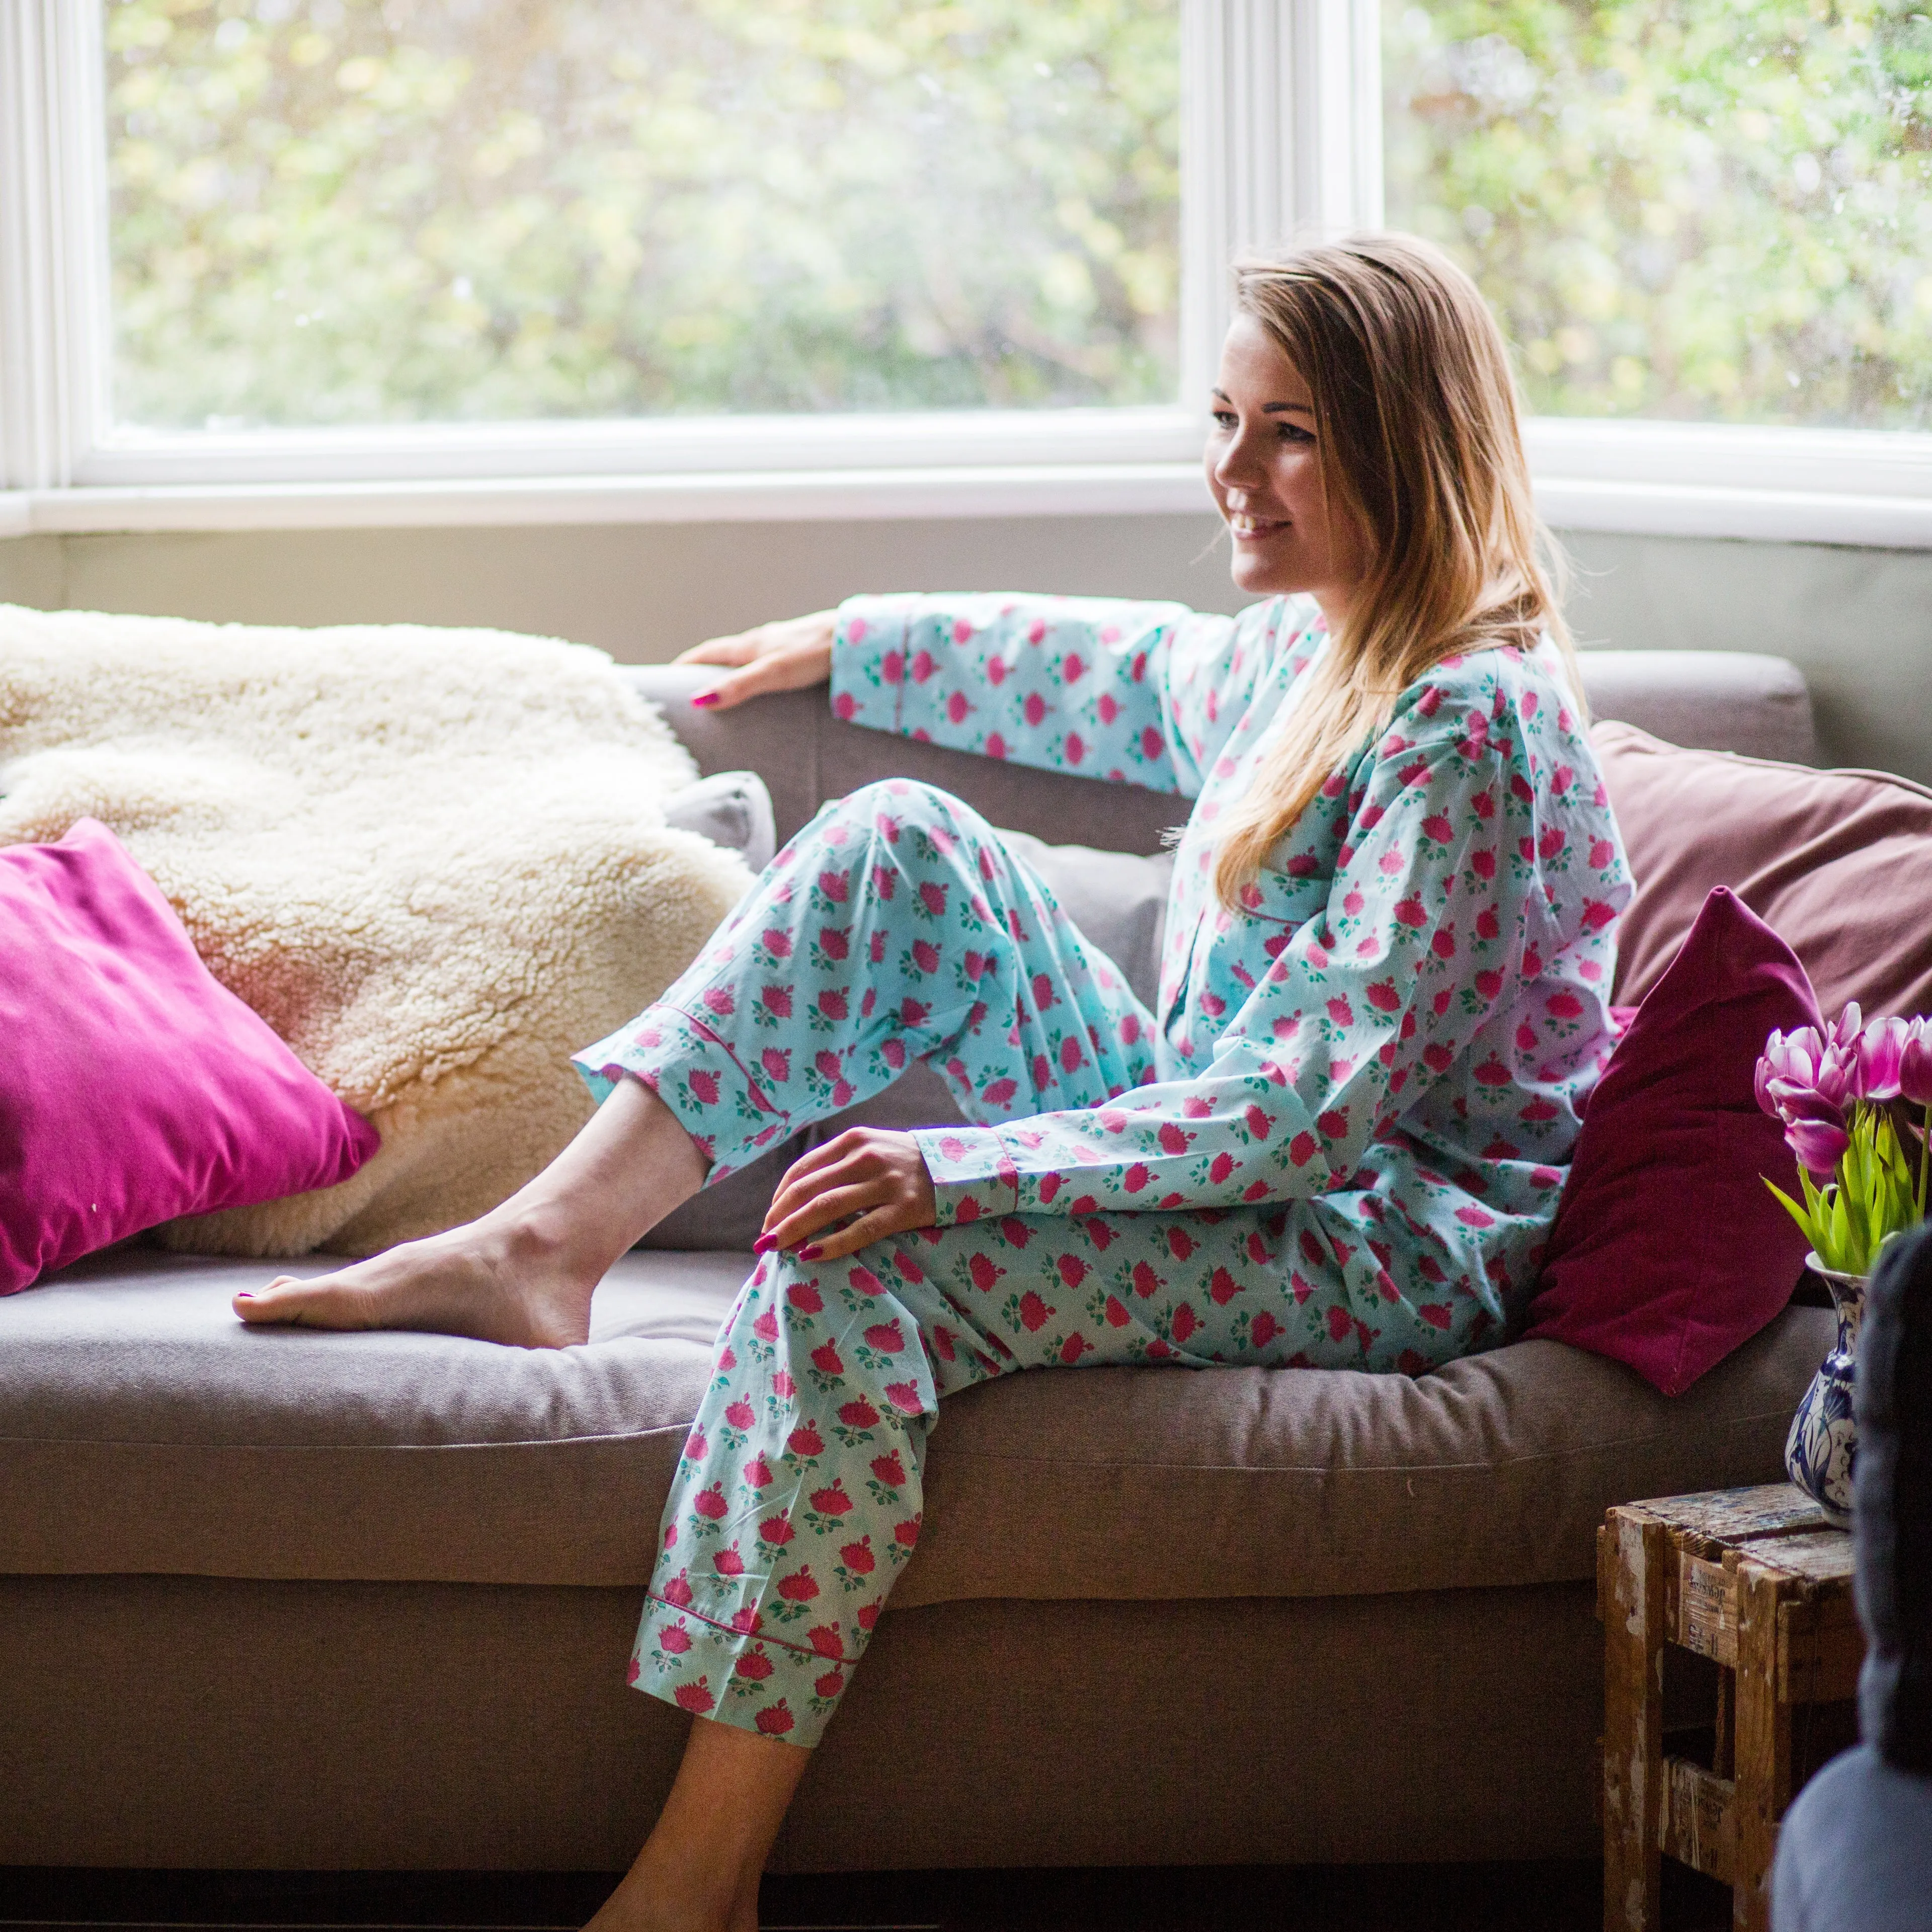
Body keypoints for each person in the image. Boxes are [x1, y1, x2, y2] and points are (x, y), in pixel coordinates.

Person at [235, 232, 1632, 1932]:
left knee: (851, 1261)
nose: (1231, 474)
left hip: (1382, 1232)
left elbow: (1312, 1111)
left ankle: (696, 1887)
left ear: (1410, 445)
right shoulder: (1308, 655)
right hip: (1250, 1147)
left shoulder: (1471, 732)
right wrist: (856, 638)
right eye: (1224, 418)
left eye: (1292, 435)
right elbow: (1108, 670)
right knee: (898, 841)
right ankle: (546, 1246)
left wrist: (962, 1173)